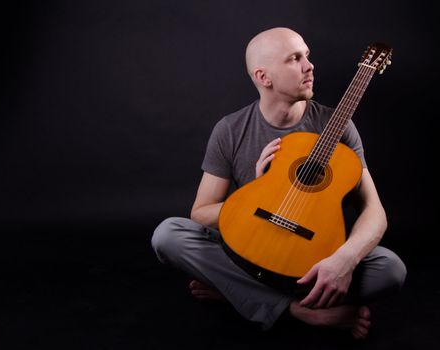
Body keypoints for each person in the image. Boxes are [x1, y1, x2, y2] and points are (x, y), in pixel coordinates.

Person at [151, 27, 406, 339]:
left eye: (307, 56)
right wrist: (257, 196)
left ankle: (235, 292)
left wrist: (344, 260)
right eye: (294, 59)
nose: (309, 66)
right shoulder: (230, 130)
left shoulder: (338, 126)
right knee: (169, 234)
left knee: (390, 268)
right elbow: (200, 213)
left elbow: (374, 213)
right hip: (248, 252)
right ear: (264, 77)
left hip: (311, 261)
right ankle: (296, 310)